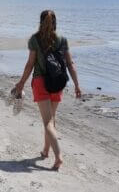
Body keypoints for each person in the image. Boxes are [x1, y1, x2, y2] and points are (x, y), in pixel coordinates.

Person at [13, 9, 82, 170]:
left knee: (47, 122)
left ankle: (58, 156)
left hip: (40, 82)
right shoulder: (62, 40)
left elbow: (30, 64)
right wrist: (77, 85)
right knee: (51, 119)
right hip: (57, 82)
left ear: (40, 22)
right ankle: (45, 150)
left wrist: (21, 82)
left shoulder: (35, 40)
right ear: (55, 23)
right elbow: (70, 64)